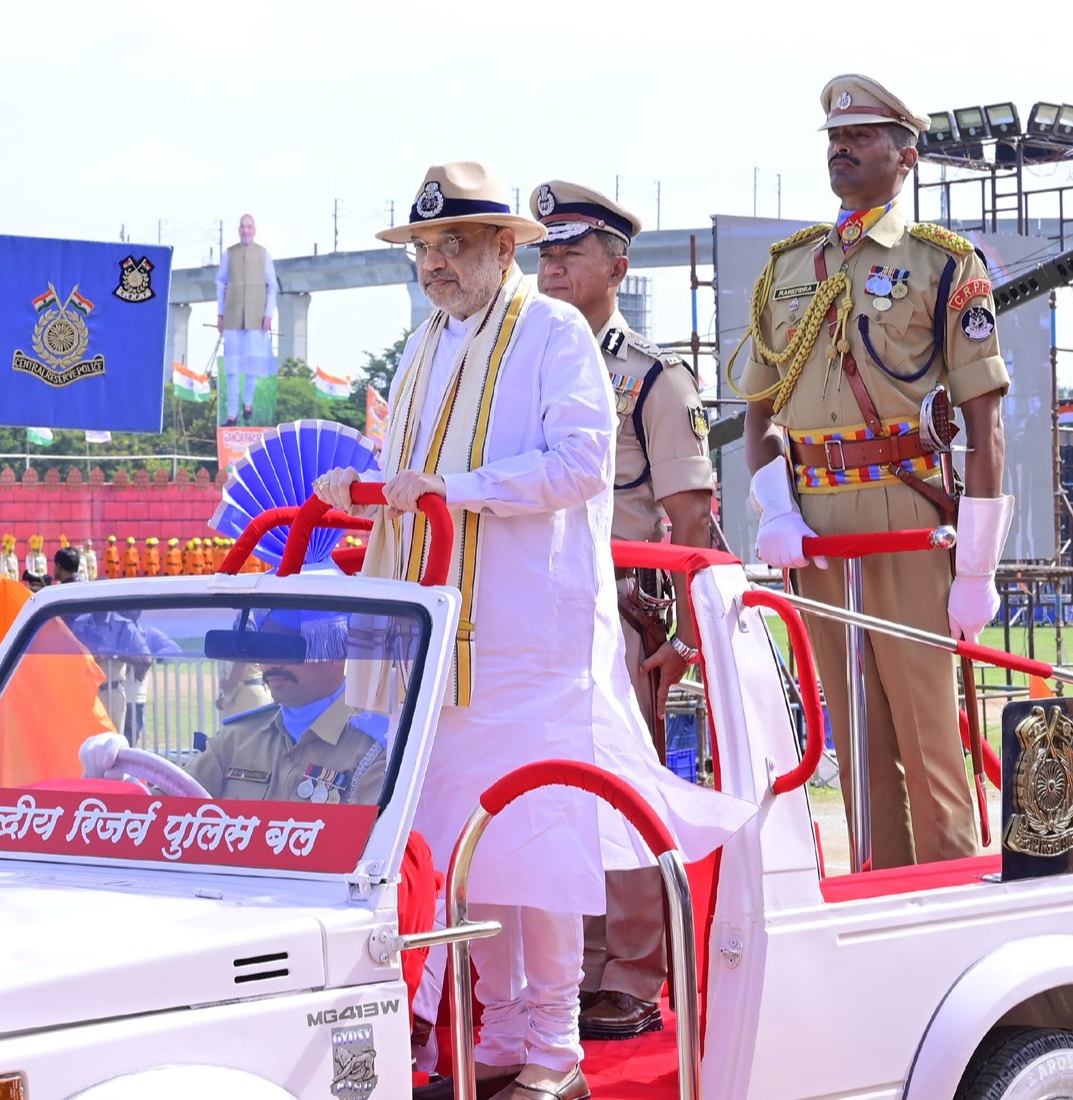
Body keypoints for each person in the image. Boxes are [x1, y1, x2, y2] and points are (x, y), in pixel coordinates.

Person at [317, 161, 746, 1098]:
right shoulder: (426, 342)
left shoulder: (552, 331)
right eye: (424, 249)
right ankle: (500, 1039)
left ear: (504, 249)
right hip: (439, 643)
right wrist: (360, 486)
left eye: (452, 246)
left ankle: (554, 1054)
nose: (433, 265)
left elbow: (584, 465)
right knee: (470, 851)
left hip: (533, 643)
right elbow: (407, 471)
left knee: (540, 846)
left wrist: (452, 494)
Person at [738, 75, 1012, 872]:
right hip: (817, 523)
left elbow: (986, 425)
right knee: (855, 742)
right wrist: (775, 509)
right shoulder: (790, 269)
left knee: (932, 742)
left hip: (911, 514)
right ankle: (879, 896)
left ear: (906, 155)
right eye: (833, 138)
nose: (842, 148)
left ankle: (951, 902)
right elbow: (760, 410)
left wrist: (977, 567)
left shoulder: (943, 266)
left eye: (861, 136)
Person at [531, 180, 719, 1040]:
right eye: (546, 250)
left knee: (622, 794)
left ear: (617, 265)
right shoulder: (523, 364)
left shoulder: (652, 378)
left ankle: (634, 974)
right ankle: (572, 966)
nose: (555, 265)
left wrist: (683, 636)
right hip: (539, 609)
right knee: (554, 795)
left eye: (573, 250)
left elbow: (691, 520)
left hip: (623, 611)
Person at [185, 609, 388, 803]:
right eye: (264, 648)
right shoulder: (235, 739)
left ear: (335, 652)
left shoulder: (375, 749)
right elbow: (165, 799)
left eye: (287, 648)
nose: (272, 663)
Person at [215, 213, 280, 423]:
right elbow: (220, 284)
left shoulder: (263, 254)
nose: (246, 230)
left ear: (254, 229)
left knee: (252, 365)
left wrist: (268, 313)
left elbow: (272, 286)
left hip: (256, 317)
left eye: (249, 227)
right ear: (239, 230)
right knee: (232, 367)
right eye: (242, 227)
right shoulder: (229, 253)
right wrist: (220, 313)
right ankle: (232, 414)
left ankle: (248, 403)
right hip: (233, 316)